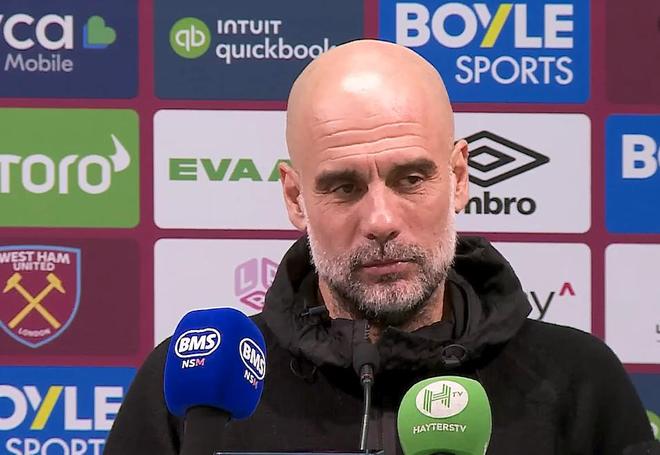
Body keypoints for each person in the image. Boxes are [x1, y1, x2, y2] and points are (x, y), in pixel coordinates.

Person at [104, 40, 656, 454]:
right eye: (344, 187)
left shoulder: (579, 383)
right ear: (296, 197)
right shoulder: (194, 395)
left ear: (458, 178)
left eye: (411, 179)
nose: (382, 221)